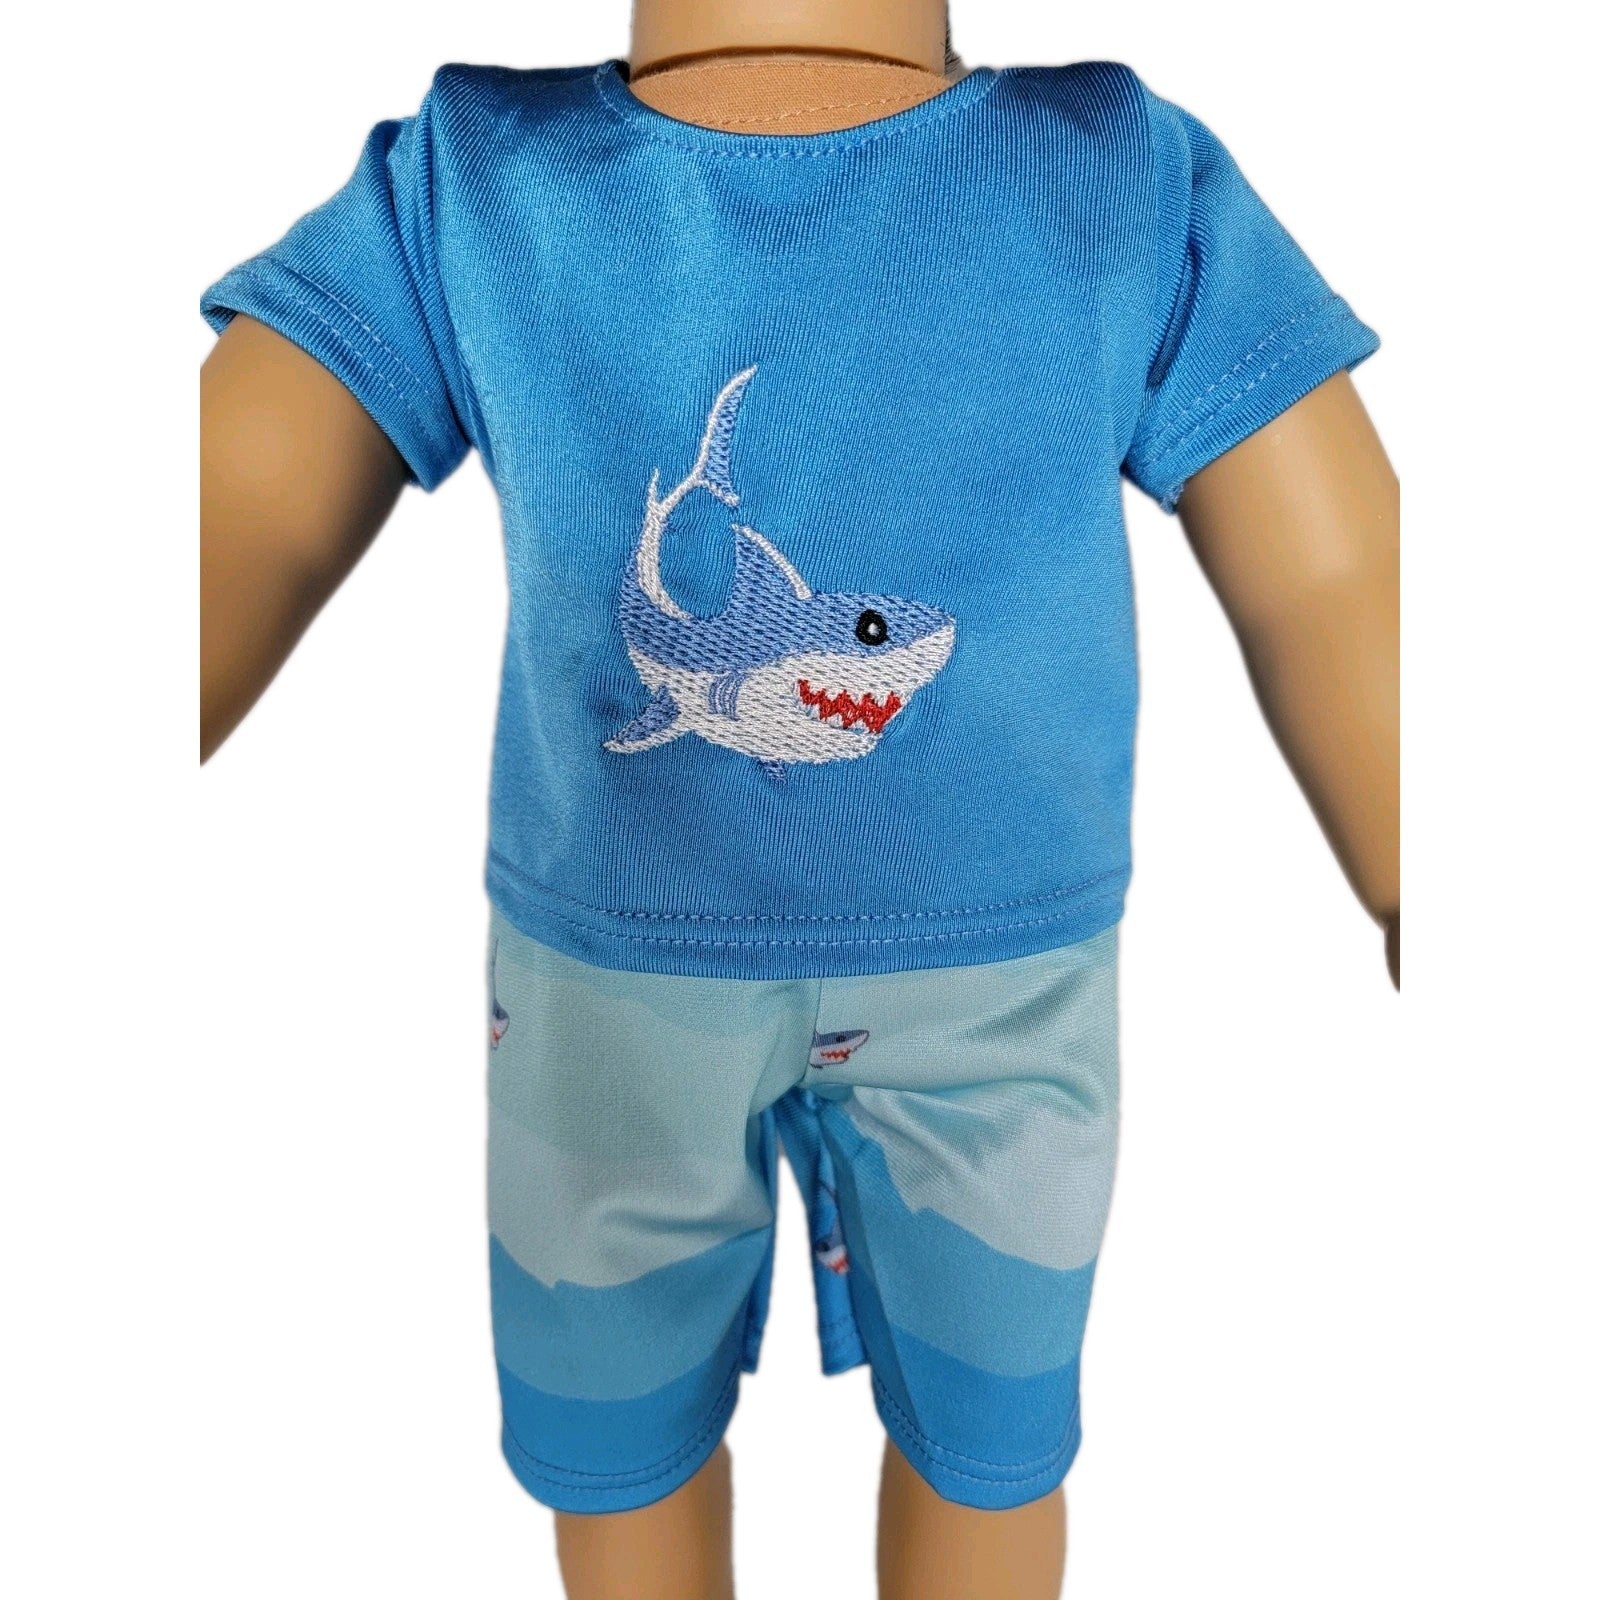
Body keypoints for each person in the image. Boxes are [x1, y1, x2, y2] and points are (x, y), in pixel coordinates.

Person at [199, 4, 1399, 1595]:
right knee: (624, 1446)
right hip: (621, 985)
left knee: (987, 1446)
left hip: (980, 990)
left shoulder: (1123, 170)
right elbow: (230, 516)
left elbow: (1338, 585)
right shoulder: (473, 180)